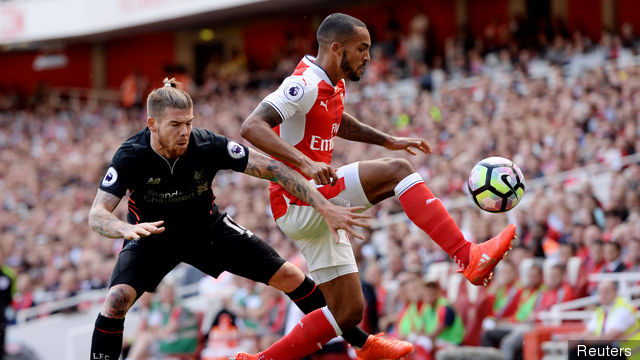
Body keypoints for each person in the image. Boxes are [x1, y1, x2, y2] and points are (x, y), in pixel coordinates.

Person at [233, 12, 515, 360]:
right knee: (398, 172)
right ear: (336, 49)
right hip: (299, 198)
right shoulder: (303, 84)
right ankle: (467, 255)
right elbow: (252, 126)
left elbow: (337, 120)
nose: (369, 56)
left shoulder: (332, 82)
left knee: (348, 311)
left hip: (309, 207)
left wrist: (386, 139)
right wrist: (305, 162)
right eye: (362, 48)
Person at [88, 78, 406, 360]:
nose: (185, 131)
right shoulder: (131, 155)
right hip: (150, 236)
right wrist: (126, 229)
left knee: (291, 277)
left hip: (207, 230)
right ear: (152, 124)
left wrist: (323, 204)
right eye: (175, 125)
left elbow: (274, 169)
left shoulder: (206, 143)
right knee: (116, 299)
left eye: (188, 122)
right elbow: (98, 215)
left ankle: (364, 345)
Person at [568, 280, 640, 360]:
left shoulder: (623, 309)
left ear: (615, 293)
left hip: (630, 353)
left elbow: (608, 338)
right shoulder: (600, 311)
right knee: (577, 349)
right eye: (600, 291)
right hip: (616, 351)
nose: (603, 295)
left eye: (607, 291)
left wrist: (582, 340)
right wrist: (579, 339)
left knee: (600, 349)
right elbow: (589, 332)